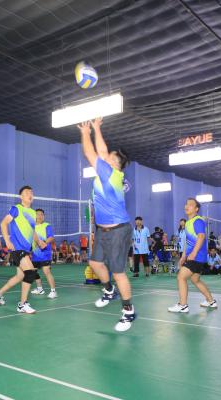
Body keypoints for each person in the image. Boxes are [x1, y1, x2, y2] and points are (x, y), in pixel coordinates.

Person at [78, 117, 136, 331]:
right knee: (94, 263)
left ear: (113, 163)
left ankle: (128, 312)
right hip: (102, 229)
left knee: (118, 272)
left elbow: (90, 153)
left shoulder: (110, 173)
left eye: (109, 157)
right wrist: (97, 128)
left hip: (118, 230)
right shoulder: (111, 172)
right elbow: (102, 152)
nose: (105, 156)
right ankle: (109, 291)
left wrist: (85, 132)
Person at [0, 186, 39, 314]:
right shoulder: (16, 209)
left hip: (26, 249)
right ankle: (22, 305)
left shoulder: (33, 213)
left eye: (31, 192)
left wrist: (38, 242)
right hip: (17, 248)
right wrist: (7, 241)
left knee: (20, 276)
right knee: (30, 273)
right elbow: (3, 223)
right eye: (27, 192)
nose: (30, 194)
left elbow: (32, 230)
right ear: (21, 197)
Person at [168, 198, 217, 313]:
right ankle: (211, 301)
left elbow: (201, 237)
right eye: (186, 204)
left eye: (190, 204)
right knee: (195, 280)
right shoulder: (188, 223)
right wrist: (183, 256)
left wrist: (194, 253)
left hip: (197, 256)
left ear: (196, 209)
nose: (187, 206)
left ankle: (183, 305)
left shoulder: (198, 221)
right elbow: (188, 242)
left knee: (181, 277)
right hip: (196, 256)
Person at [30, 209, 57, 298]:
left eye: (42, 214)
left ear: (44, 216)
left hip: (45, 253)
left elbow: (51, 237)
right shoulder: (32, 227)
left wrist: (44, 243)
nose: (40, 216)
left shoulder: (46, 225)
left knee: (46, 272)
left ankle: (53, 291)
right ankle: (40, 289)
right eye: (38, 214)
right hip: (35, 254)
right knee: (33, 271)